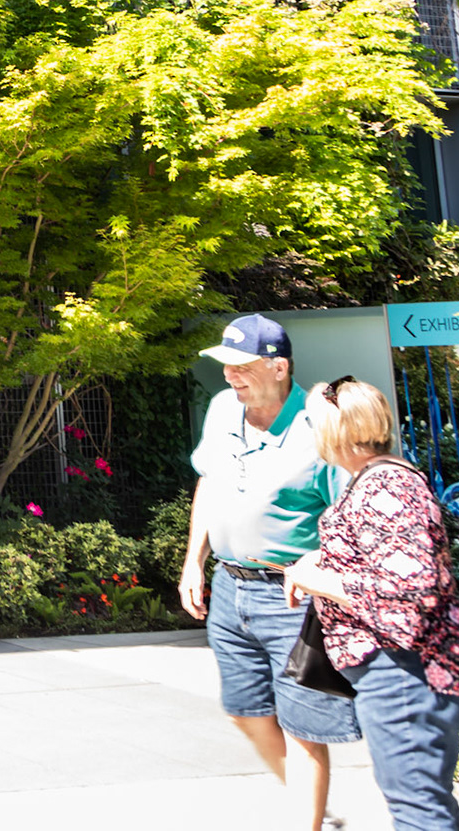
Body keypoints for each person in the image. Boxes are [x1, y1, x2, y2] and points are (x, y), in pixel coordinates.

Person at [283, 378, 459, 831]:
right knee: (419, 797)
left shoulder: (386, 486)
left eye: (313, 424)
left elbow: (411, 591)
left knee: (416, 804)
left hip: (407, 670)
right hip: (402, 668)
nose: (309, 435)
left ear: (336, 430)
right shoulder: (378, 479)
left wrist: (322, 581)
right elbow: (384, 557)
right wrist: (321, 559)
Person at [181, 315, 357, 831]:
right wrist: (194, 561)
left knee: (304, 728)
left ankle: (308, 818)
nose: (229, 376)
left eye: (242, 366)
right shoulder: (222, 409)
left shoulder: (319, 426)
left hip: (294, 598)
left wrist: (318, 566)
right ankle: (315, 808)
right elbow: (209, 483)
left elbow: (347, 516)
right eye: (226, 366)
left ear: (279, 368)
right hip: (230, 587)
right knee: (245, 711)